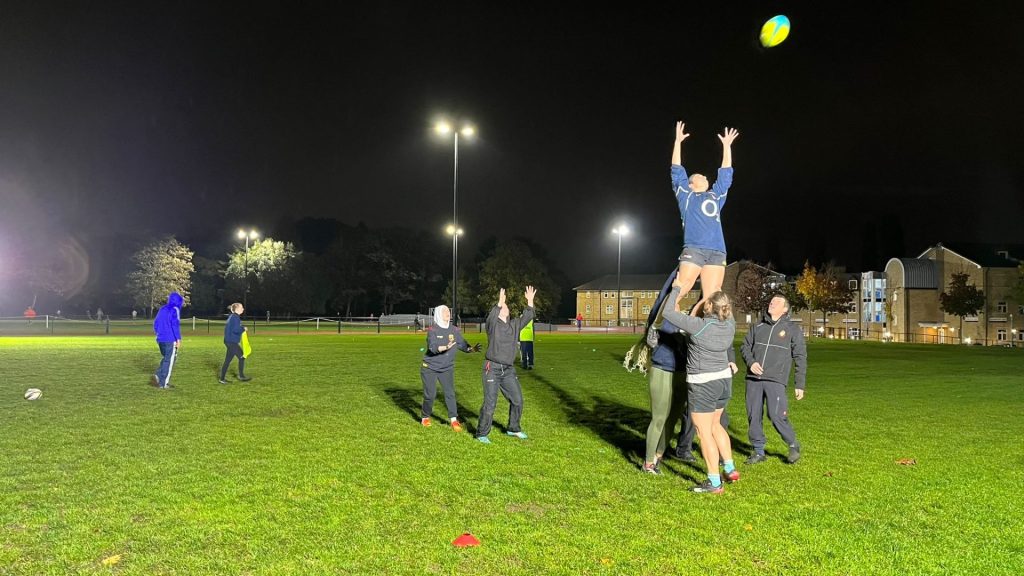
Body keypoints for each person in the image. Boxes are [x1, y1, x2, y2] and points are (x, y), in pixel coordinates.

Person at [662, 280, 739, 493]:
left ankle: (714, 482)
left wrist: (676, 288)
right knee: (716, 425)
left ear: (708, 307)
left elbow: (668, 313)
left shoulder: (699, 326)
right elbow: (723, 308)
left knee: (704, 432)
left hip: (704, 384)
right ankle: (730, 468)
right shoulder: (730, 325)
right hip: (724, 381)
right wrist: (712, 293)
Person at [669, 121, 739, 317]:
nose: (704, 176)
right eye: (699, 175)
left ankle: (698, 334)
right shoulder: (686, 195)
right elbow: (676, 168)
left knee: (712, 297)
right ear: (691, 184)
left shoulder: (715, 196)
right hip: (695, 248)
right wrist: (678, 141)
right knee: (681, 288)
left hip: (717, 251)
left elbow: (726, 175)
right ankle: (663, 328)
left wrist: (727, 147)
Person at [740, 294, 807, 464]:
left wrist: (799, 384)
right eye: (771, 301)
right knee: (754, 415)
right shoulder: (758, 325)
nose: (772, 303)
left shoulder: (792, 329)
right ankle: (758, 451)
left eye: (777, 302)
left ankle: (792, 445)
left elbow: (800, 356)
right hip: (753, 379)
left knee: (776, 415)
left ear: (785, 309)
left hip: (775, 380)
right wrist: (751, 362)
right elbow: (745, 346)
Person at [475, 286, 536, 444]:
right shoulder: (493, 325)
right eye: (503, 307)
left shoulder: (515, 325)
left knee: (517, 400)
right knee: (490, 403)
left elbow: (528, 316)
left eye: (506, 306)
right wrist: (499, 303)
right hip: (492, 369)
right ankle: (481, 433)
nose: (506, 307)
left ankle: (513, 428)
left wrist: (530, 301)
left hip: (508, 370)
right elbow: (490, 318)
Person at [420, 304, 480, 431]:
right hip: (429, 367)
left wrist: (471, 349)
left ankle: (454, 420)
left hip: (446, 368)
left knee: (450, 393)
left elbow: (462, 344)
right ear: (438, 314)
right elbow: (432, 347)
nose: (448, 313)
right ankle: (425, 417)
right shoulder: (433, 330)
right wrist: (445, 347)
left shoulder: (455, 330)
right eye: (444, 311)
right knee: (430, 394)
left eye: (448, 310)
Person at [152, 292, 184, 389]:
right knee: (169, 360)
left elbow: (156, 323)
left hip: (161, 339)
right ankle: (163, 383)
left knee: (168, 358)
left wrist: (159, 334)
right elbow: (175, 325)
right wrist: (178, 339)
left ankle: (158, 374)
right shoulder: (175, 309)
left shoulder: (162, 309)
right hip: (170, 339)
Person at [219, 303, 252, 384]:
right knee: (242, 357)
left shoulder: (233, 317)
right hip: (231, 342)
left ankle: (222, 379)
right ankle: (241, 376)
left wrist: (241, 328)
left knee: (227, 360)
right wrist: (243, 328)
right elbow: (236, 330)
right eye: (242, 307)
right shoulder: (235, 318)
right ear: (237, 309)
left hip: (229, 341)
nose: (243, 309)